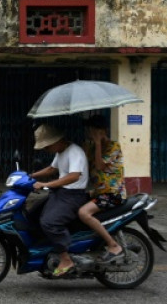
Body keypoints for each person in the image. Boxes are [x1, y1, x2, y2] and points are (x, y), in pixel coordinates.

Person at [29, 123, 89, 278]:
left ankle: (65, 258)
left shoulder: (74, 151)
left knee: (49, 222)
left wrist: (46, 184)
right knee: (34, 212)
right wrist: (31, 176)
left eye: (47, 146)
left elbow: (74, 176)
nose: (45, 149)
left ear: (57, 140)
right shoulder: (61, 151)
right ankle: (47, 248)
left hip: (74, 196)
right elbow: (52, 169)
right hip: (62, 193)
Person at [77, 114, 127, 264]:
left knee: (84, 213)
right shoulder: (90, 147)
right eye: (89, 130)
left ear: (103, 130)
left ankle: (113, 245)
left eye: (93, 130)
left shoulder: (114, 147)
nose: (90, 133)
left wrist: (98, 143)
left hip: (113, 193)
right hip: (98, 192)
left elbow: (99, 166)